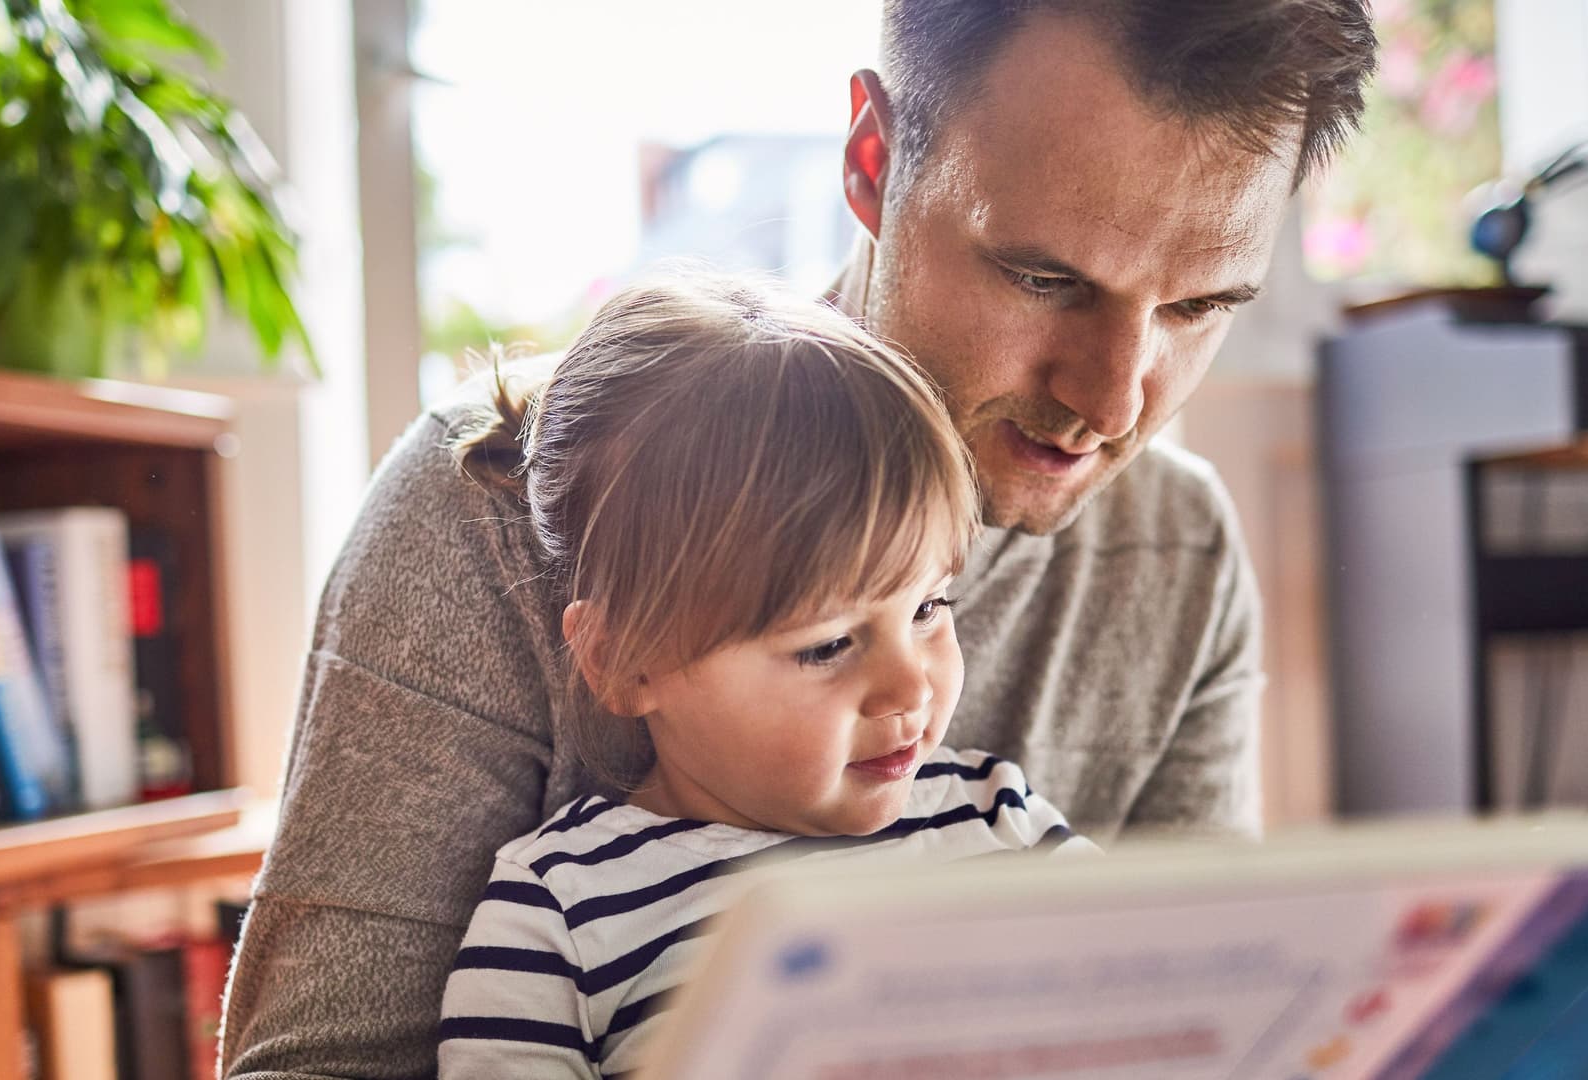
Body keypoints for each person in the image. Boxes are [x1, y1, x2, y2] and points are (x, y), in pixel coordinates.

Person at [220, 2, 1378, 1076]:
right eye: (1043, 278)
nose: (1118, 398)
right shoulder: (498, 498)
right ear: (872, 162)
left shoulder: (1175, 550)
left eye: (1199, 306)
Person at [434, 274, 1095, 1077]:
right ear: (623, 661)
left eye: (928, 608)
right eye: (826, 646)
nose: (910, 689)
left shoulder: (1000, 819)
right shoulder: (558, 912)